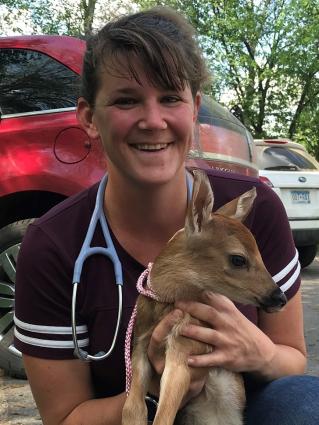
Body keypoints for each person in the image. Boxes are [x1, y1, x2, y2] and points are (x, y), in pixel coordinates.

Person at [14, 6, 319, 425]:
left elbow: (292, 361)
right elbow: (65, 417)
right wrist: (156, 390)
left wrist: (258, 351)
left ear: (193, 108)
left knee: (304, 403)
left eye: (170, 98)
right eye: (126, 100)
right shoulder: (54, 245)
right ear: (89, 117)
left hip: (234, 412)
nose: (153, 121)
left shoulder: (254, 210)